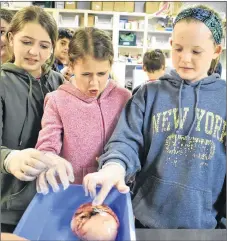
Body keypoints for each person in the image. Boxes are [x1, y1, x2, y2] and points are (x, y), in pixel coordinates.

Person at [83, 5, 226, 229]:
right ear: (171, 44)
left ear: (216, 50)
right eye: (178, 48)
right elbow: (126, 141)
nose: (185, 58)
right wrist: (114, 167)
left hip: (203, 225)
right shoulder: (148, 94)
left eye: (196, 51)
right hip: (144, 221)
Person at [35, 27, 131, 193]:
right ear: (71, 66)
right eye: (86, 74)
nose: (94, 83)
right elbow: (46, 145)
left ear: (111, 65)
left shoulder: (124, 97)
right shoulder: (57, 100)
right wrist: (48, 159)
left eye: (102, 74)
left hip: (112, 191)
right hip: (71, 191)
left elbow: (132, 143)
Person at [0, 6, 69, 232]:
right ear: (11, 38)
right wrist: (9, 159)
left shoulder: (61, 85)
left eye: (44, 45)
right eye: (26, 42)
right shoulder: (2, 83)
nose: (34, 52)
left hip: (53, 203)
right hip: (9, 210)